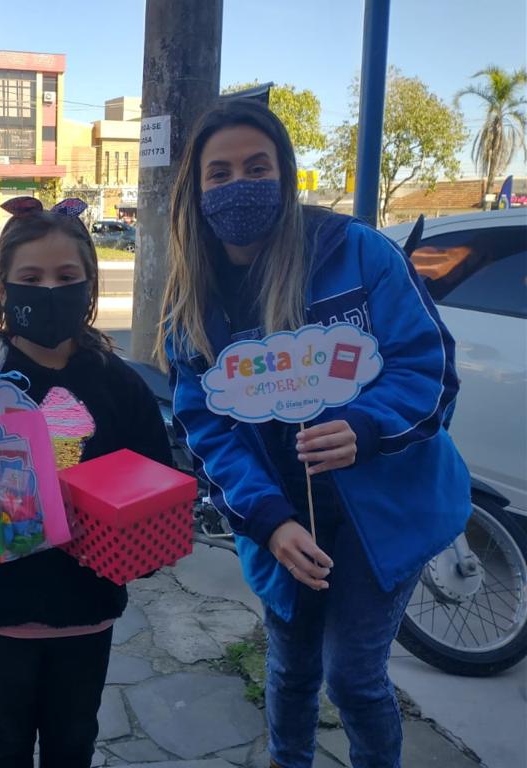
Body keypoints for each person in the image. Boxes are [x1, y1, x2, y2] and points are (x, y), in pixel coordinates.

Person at [156, 99, 470, 768]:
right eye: (219, 174)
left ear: (285, 172)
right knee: (291, 665)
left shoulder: (358, 253)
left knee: (353, 677)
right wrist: (269, 521)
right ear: (196, 190)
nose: (239, 185)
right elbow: (205, 426)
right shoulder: (193, 300)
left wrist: (367, 425)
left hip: (382, 517)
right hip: (284, 519)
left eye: (257, 167)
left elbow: (429, 368)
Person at [0, 197, 172, 768]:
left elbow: (158, 493)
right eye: (31, 278)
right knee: (5, 742)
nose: (49, 290)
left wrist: (140, 542)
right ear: (3, 286)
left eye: (66, 277)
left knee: (74, 740)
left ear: (89, 284)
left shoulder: (121, 387)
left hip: (87, 606)